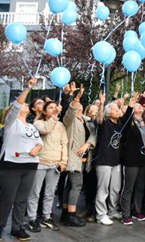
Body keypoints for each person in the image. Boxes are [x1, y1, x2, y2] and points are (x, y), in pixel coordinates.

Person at [0, 77, 43, 242]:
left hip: (30, 166)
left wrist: (38, 147)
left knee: (22, 200)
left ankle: (17, 228)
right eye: (24, 104)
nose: (26, 105)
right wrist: (28, 88)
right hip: (10, 166)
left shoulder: (31, 125)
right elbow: (18, 105)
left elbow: (39, 141)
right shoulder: (11, 122)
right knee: (8, 199)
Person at [28, 100, 68, 232]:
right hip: (40, 162)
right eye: (51, 108)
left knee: (50, 193)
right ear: (44, 111)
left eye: (55, 108)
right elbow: (46, 129)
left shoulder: (61, 125)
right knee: (35, 192)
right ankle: (32, 218)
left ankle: (46, 217)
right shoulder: (38, 123)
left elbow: (64, 144)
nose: (54, 109)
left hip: (55, 164)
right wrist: (55, 117)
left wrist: (64, 161)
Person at [94, 92, 134, 226]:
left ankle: (112, 210)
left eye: (118, 109)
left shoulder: (120, 125)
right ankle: (101, 214)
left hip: (116, 162)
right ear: (108, 113)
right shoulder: (104, 123)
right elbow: (99, 119)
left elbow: (128, 117)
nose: (117, 111)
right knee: (103, 189)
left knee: (115, 189)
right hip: (104, 162)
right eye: (115, 109)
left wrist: (131, 103)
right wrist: (101, 103)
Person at [60, 83, 96, 227]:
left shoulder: (88, 121)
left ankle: (65, 213)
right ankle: (71, 216)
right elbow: (69, 112)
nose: (79, 104)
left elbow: (94, 135)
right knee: (76, 184)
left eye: (80, 102)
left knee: (69, 185)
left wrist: (87, 144)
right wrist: (76, 97)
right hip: (73, 157)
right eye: (77, 103)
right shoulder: (70, 120)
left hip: (84, 159)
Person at [120, 92, 145, 225]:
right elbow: (127, 117)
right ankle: (125, 213)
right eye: (136, 106)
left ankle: (136, 210)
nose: (139, 106)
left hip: (143, 160)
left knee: (140, 187)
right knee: (129, 187)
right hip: (131, 159)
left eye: (140, 105)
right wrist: (132, 103)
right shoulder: (129, 122)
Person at [82, 103, 99, 222]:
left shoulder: (100, 123)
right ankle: (88, 208)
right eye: (91, 109)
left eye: (96, 109)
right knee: (89, 184)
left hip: (100, 157)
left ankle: (95, 211)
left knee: (98, 186)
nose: (93, 110)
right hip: (88, 158)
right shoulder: (85, 124)